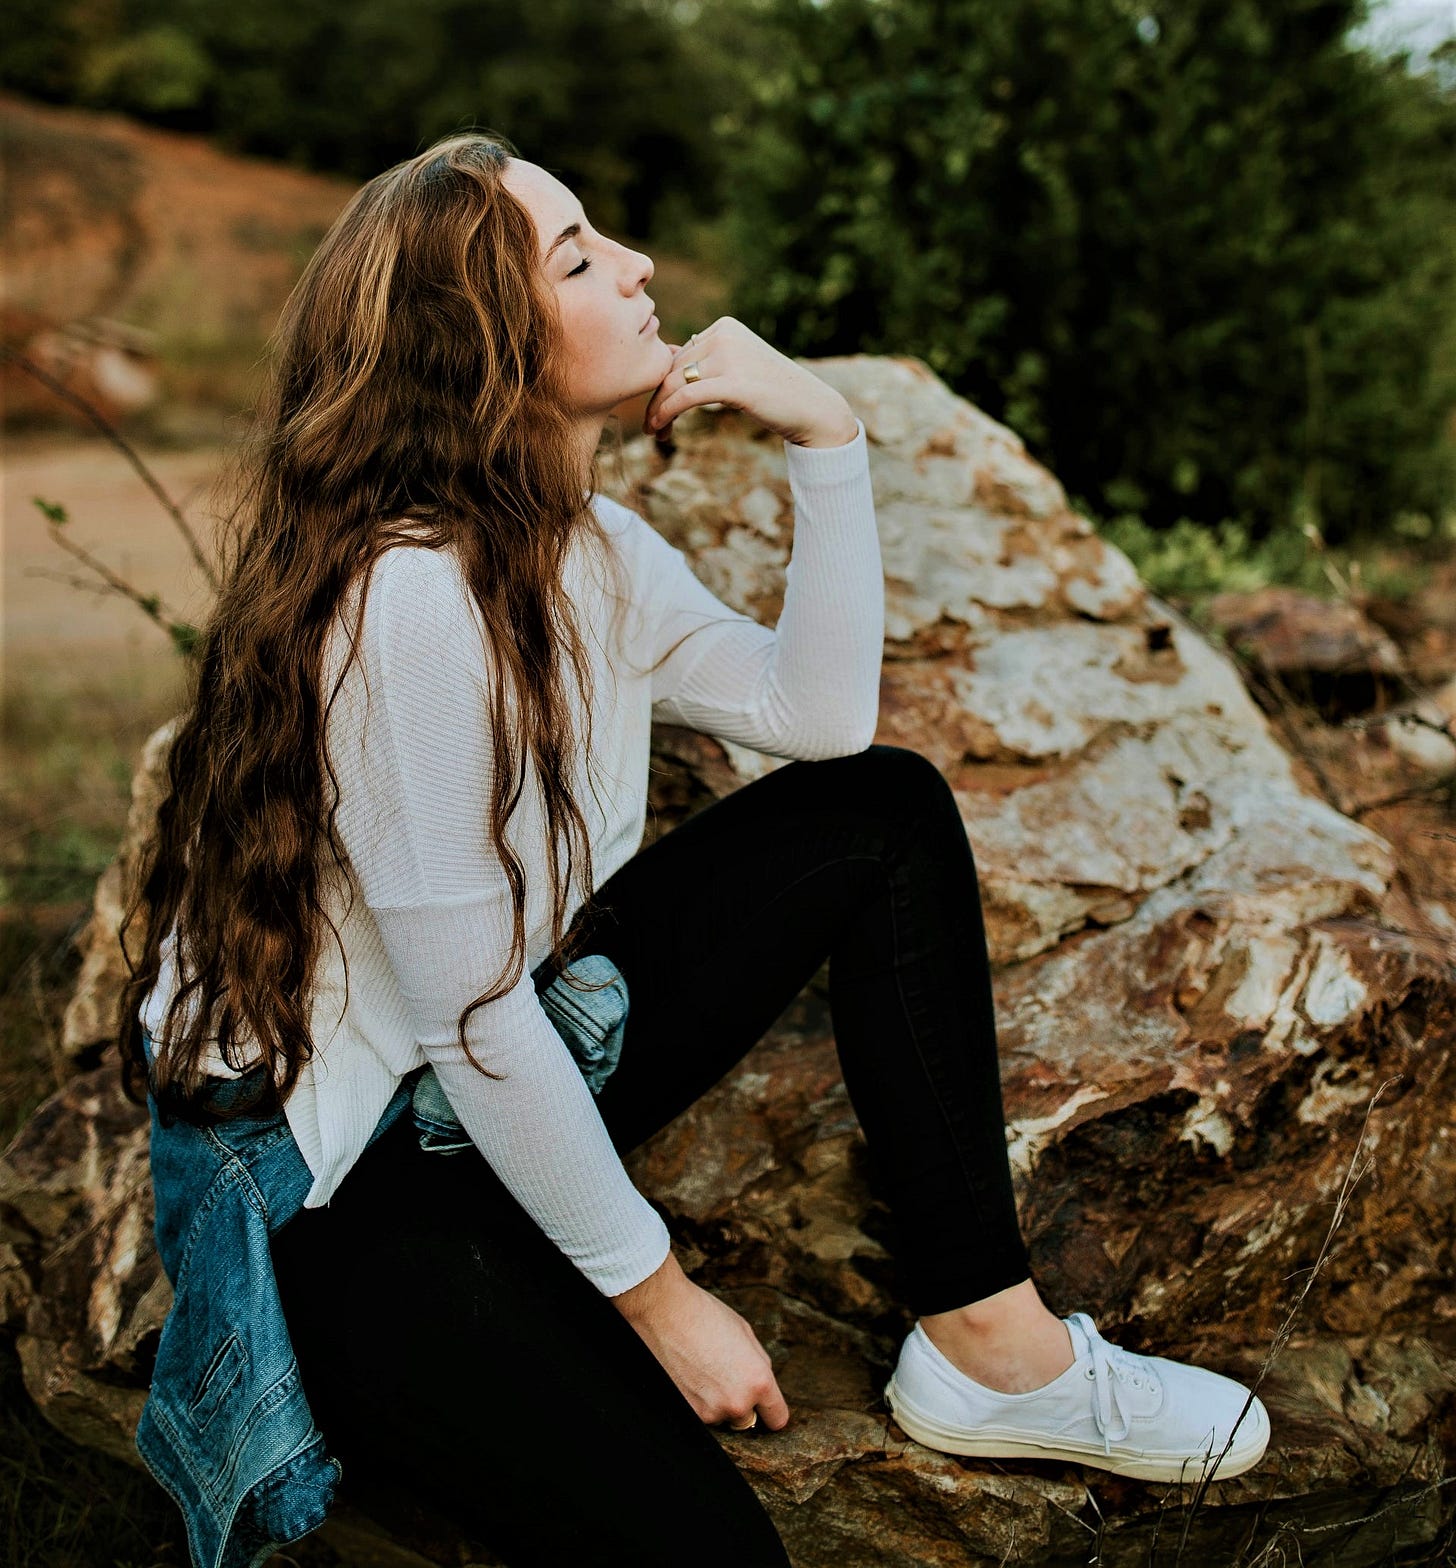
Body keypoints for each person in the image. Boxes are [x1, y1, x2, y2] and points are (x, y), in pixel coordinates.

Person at [119, 131, 1269, 1568]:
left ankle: (993, 1350)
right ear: (482, 342)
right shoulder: (404, 602)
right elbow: (472, 1027)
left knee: (883, 815)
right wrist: (661, 1301)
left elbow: (820, 717)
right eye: (583, 256)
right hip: (352, 1197)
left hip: (490, 1075)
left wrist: (828, 439)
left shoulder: (586, 548)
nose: (642, 267)